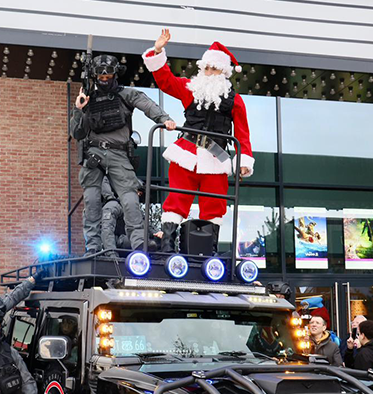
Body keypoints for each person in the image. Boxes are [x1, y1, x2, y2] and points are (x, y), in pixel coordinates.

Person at [142, 29, 255, 253]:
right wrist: (157, 51)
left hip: (217, 158)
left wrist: (244, 160)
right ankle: (167, 248)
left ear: (223, 72)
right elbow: (166, 81)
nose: (209, 72)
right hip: (187, 153)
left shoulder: (236, 101)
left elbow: (242, 132)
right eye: (206, 68)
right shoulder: (190, 90)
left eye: (214, 68)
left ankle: (208, 251)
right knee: (176, 201)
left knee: (215, 206)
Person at [71, 54, 175, 254]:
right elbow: (76, 133)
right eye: (100, 77)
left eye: (108, 76)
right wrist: (79, 109)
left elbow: (146, 104)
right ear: (94, 76)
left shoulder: (125, 94)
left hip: (118, 154)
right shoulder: (87, 99)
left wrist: (164, 118)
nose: (104, 80)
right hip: (93, 154)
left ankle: (139, 244)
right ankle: (93, 249)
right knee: (92, 202)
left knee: (130, 201)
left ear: (114, 75)